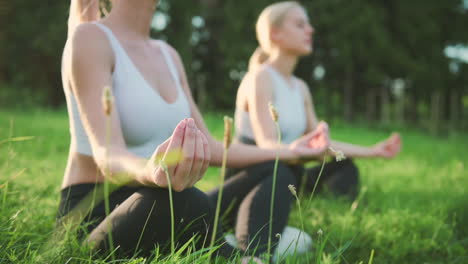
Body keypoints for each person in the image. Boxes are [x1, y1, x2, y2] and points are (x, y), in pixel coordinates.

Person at [58, 0, 330, 261]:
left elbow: (212, 147)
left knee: (274, 168)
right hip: (98, 212)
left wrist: (288, 150)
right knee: (185, 201)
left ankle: (255, 254)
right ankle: (230, 254)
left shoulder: (168, 55)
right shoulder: (91, 38)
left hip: (173, 197)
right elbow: (108, 154)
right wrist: (152, 171)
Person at [234, 1, 401, 206]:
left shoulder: (300, 87)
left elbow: (320, 143)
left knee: (345, 167)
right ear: (274, 33)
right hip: (255, 174)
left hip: (288, 168)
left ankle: (326, 207)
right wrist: (300, 153)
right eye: (300, 24)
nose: (310, 30)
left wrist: (373, 151)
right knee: (283, 173)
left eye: (308, 24)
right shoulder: (260, 77)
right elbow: (266, 145)